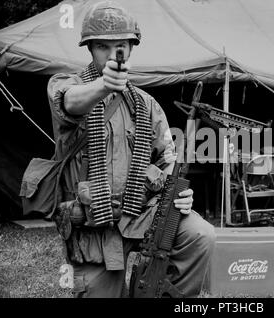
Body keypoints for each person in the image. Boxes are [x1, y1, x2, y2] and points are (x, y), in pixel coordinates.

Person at [47, 1, 215, 297]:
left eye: (121, 46)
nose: (113, 55)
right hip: (94, 222)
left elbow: (167, 159)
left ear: (132, 47)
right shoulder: (67, 85)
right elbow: (70, 103)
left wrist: (180, 192)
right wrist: (104, 85)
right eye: (102, 46)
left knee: (200, 234)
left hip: (141, 211)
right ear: (89, 48)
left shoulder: (145, 104)